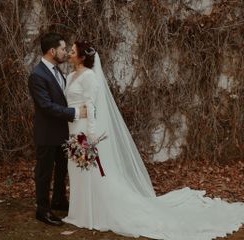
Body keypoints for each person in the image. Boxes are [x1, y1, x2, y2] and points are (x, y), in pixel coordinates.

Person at [63, 40, 244, 240]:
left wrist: (91, 135)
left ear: (81, 57)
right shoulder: (70, 76)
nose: (69, 53)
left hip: (84, 130)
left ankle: (92, 213)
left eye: (72, 51)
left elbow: (91, 106)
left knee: (90, 172)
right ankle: (80, 212)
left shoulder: (89, 77)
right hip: (73, 128)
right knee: (77, 170)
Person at [28, 33, 87, 226]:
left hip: (62, 132)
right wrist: (75, 113)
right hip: (46, 132)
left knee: (62, 169)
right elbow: (46, 106)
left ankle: (59, 200)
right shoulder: (37, 75)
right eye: (63, 49)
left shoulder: (57, 71)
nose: (65, 53)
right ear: (52, 51)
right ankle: (42, 210)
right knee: (44, 172)